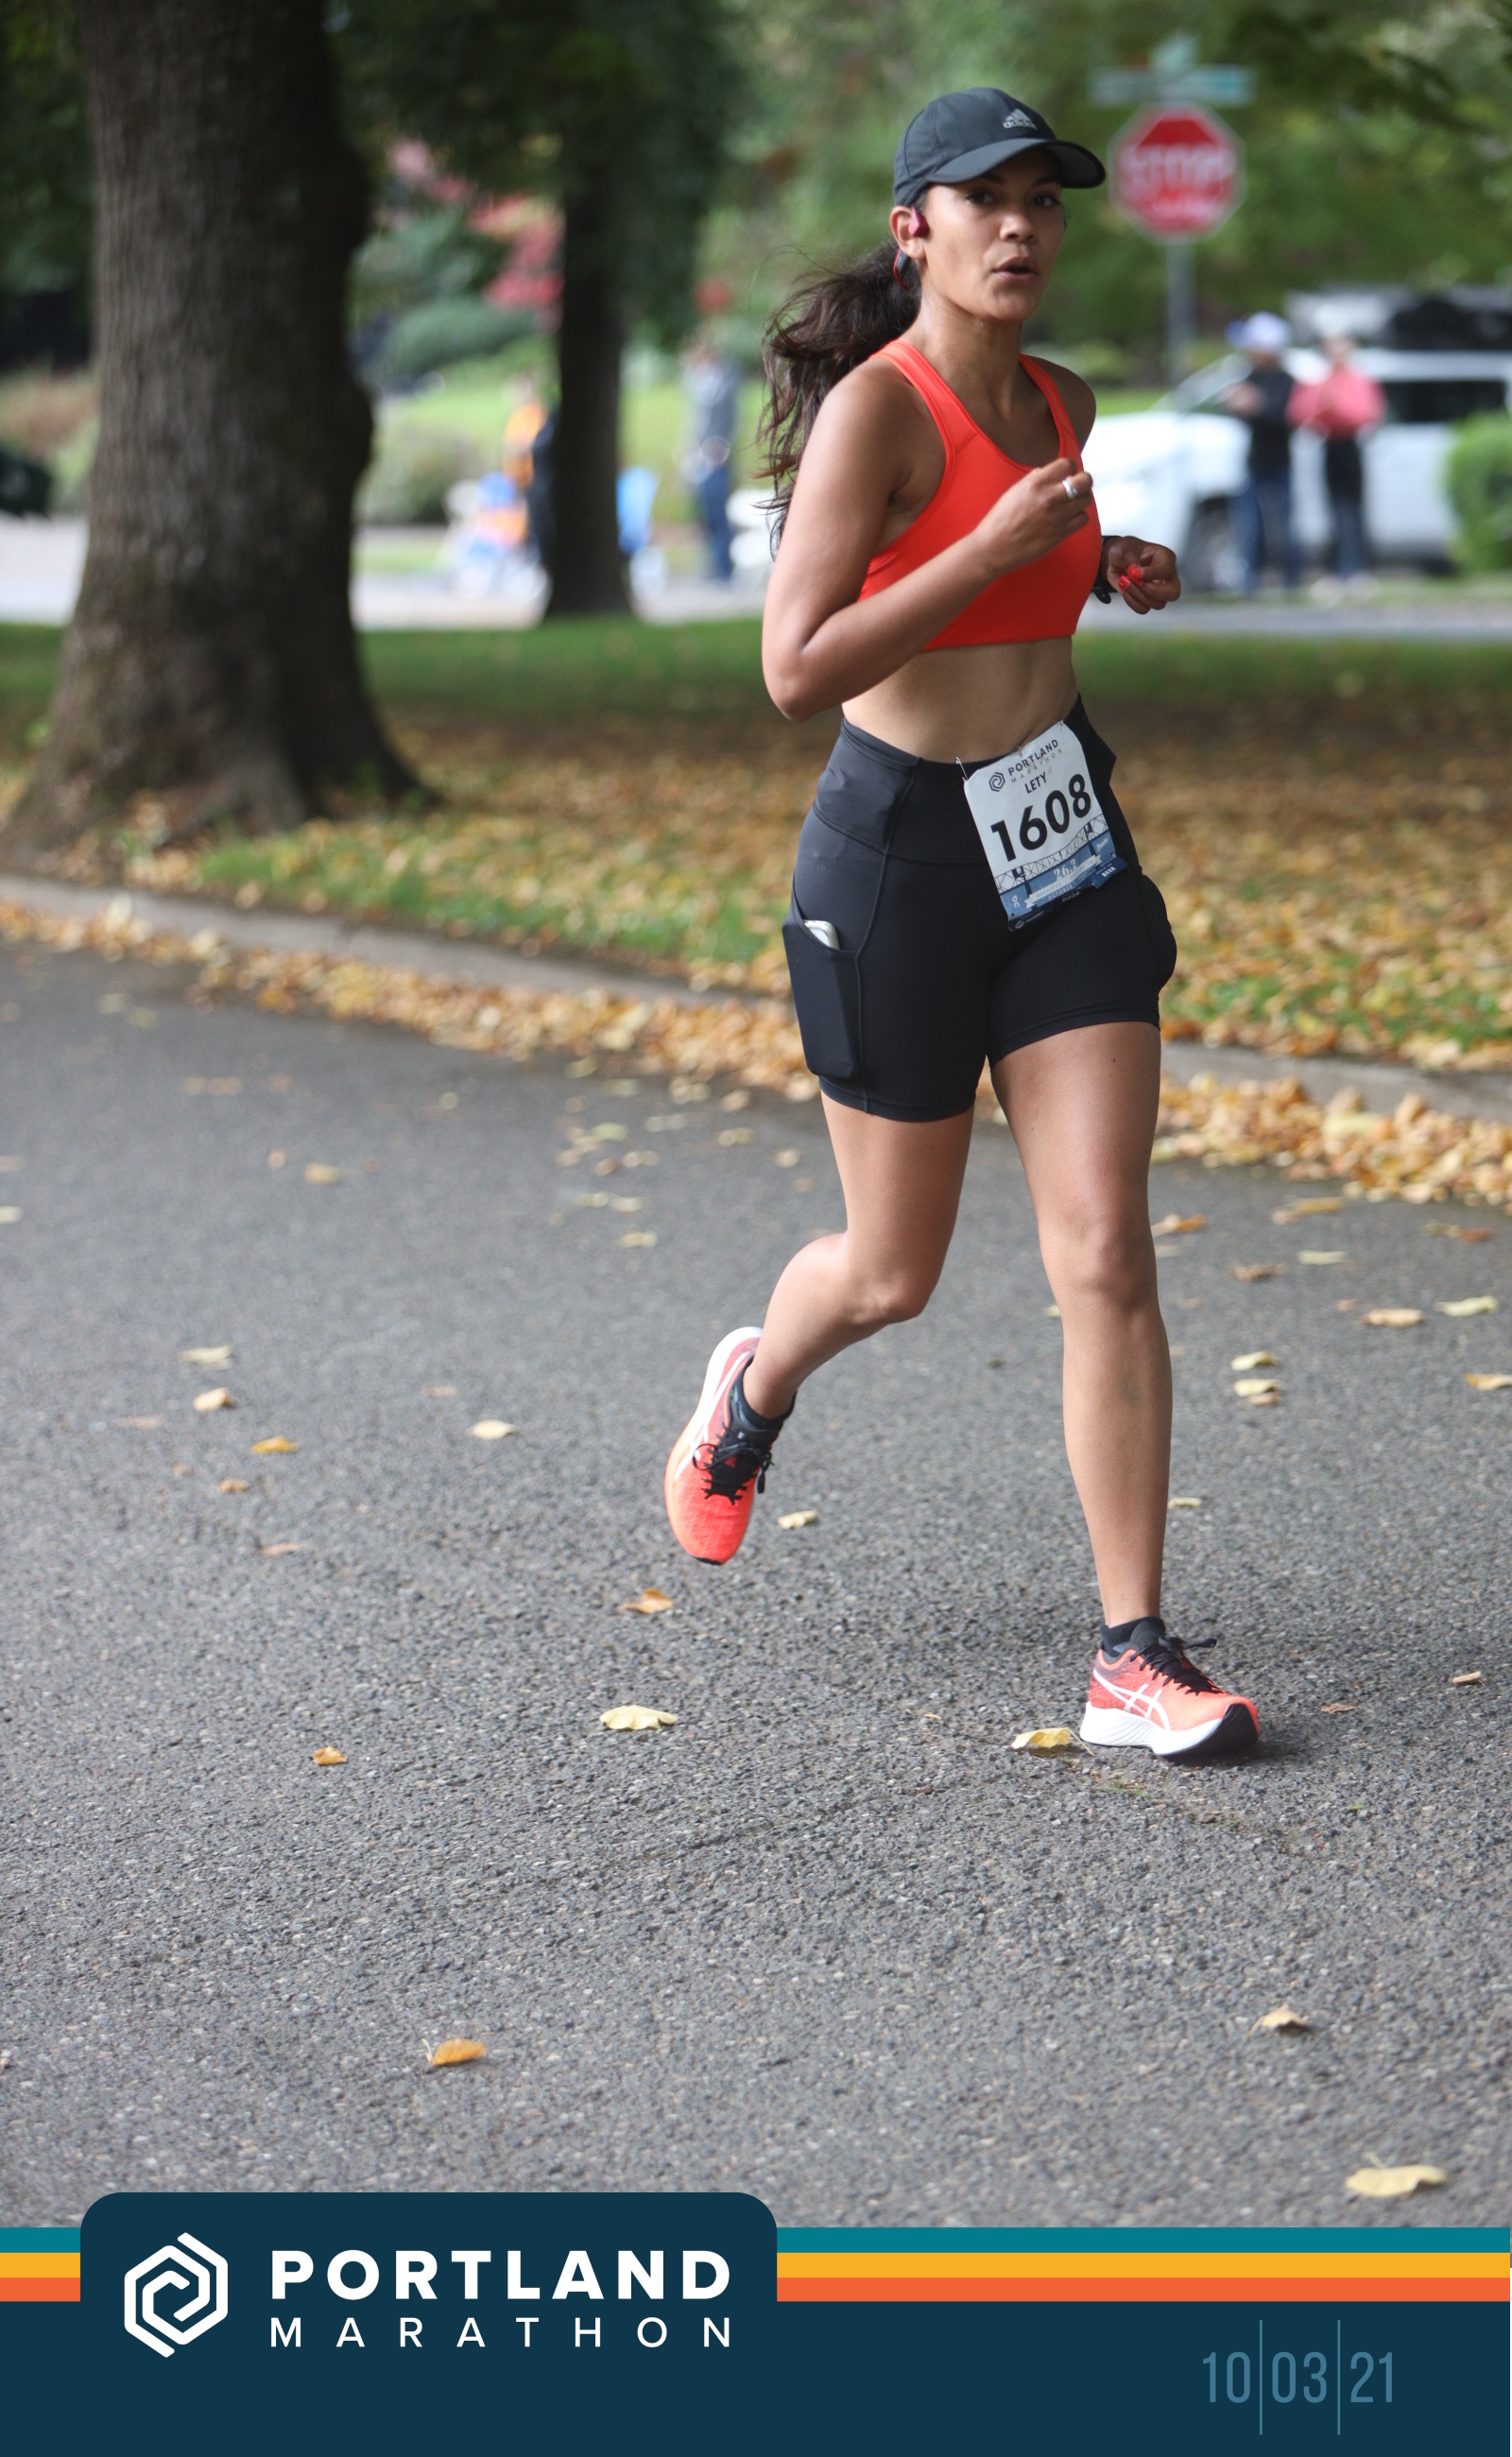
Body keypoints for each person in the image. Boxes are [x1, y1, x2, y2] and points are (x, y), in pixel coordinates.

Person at [661, 87, 1259, 1764]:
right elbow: (796, 667)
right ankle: (752, 1391)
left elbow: (1018, 564)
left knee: (1107, 1249)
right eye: (985, 200)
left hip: (1059, 841)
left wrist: (1098, 559)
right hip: (901, 861)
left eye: (1044, 202)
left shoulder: (1065, 399)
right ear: (914, 228)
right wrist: (995, 546)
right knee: (891, 1272)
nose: (1020, 227)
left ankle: (1131, 1653)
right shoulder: (876, 415)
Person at [1288, 332, 1384, 592]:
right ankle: (1336, 569)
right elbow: (1300, 413)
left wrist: (1337, 408)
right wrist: (1324, 406)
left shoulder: (1359, 378)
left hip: (1350, 446)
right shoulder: (1318, 379)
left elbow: (1367, 413)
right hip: (1329, 445)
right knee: (1334, 510)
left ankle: (1357, 569)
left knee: (1354, 509)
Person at [1223, 312, 1299, 593]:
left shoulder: (1286, 380)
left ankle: (1291, 579)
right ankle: (1251, 579)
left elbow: (1282, 416)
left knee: (1284, 523)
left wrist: (1256, 405)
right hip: (1255, 460)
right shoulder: (1251, 377)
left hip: (1280, 460)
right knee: (1250, 523)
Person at [683, 339, 740, 581]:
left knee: (718, 511)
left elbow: (730, 418)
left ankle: (724, 567)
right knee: (704, 514)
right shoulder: (698, 382)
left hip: (717, 455)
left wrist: (721, 447)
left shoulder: (724, 381)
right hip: (699, 456)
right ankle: (713, 565)